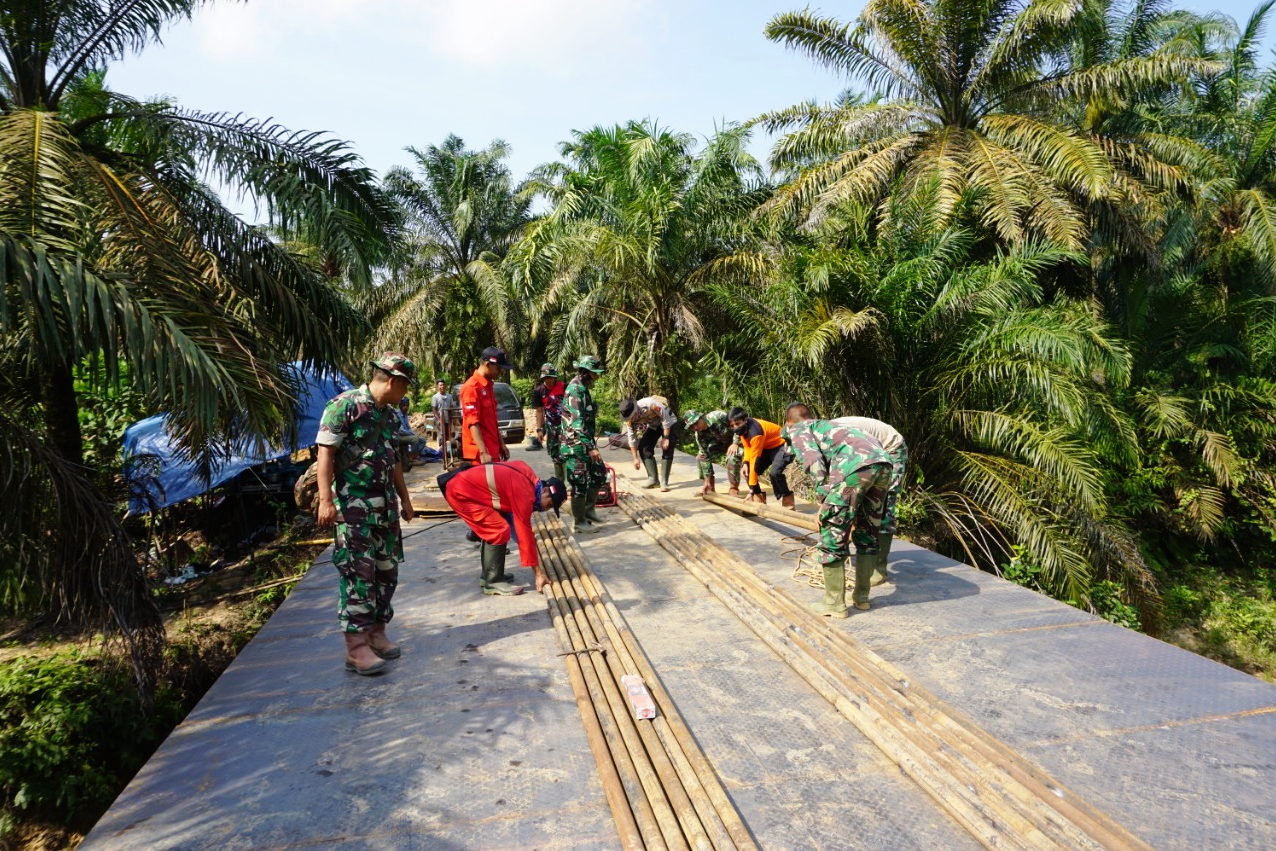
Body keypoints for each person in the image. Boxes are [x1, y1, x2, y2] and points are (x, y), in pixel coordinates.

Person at [316, 352, 417, 676]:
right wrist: (325, 501)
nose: (406, 392)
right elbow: (325, 454)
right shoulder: (345, 406)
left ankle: (376, 632)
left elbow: (394, 459)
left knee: (387, 571)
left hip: (385, 509)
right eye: (406, 385)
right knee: (358, 575)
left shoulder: (390, 416)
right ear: (393, 381)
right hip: (353, 510)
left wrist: (405, 498)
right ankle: (356, 647)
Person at [785, 403, 893, 617]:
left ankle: (834, 604)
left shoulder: (798, 429)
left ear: (789, 423)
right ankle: (862, 598)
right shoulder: (833, 427)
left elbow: (814, 463)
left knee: (832, 534)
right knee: (868, 532)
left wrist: (824, 502)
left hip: (854, 469)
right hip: (884, 466)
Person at [440, 460, 567, 595]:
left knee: (499, 523)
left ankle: (489, 575)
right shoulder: (524, 494)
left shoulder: (527, 474)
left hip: (464, 487)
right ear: (545, 490)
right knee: (498, 530)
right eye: (550, 504)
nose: (546, 509)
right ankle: (493, 582)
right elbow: (524, 534)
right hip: (461, 494)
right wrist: (538, 573)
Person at [829, 415, 908, 586]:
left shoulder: (834, 435)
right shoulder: (823, 438)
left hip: (891, 449)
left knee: (883, 506)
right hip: (868, 456)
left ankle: (879, 569)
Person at [560, 355, 608, 534]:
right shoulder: (575, 390)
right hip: (576, 444)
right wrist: (591, 447)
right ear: (586, 372)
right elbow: (577, 422)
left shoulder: (582, 388)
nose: (597, 377)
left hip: (583, 442)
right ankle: (579, 522)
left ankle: (588, 510)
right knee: (579, 483)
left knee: (599, 473)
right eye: (594, 374)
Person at [727, 407, 793, 506]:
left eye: (737, 424)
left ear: (745, 420)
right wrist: (745, 463)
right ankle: (759, 500)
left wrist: (751, 490)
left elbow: (755, 460)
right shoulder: (742, 430)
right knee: (747, 471)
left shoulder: (755, 432)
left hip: (782, 445)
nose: (735, 427)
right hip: (766, 447)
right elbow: (747, 447)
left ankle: (788, 500)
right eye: (732, 426)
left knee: (775, 473)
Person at [460, 346, 512, 466]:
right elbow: (473, 422)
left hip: (492, 451)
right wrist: (483, 452)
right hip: (481, 456)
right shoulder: (472, 387)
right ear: (488, 364)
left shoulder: (488, 386)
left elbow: (492, 421)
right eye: (498, 368)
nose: (500, 372)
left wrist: (501, 444)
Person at [619, 396, 678, 492]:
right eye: (629, 418)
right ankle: (653, 479)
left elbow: (665, 418)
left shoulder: (650, 404)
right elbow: (632, 438)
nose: (631, 419)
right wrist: (635, 458)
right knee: (644, 446)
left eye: (632, 416)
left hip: (669, 421)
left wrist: (666, 438)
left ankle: (664, 482)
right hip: (654, 425)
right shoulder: (629, 421)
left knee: (667, 447)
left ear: (635, 410)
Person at [685, 409, 743, 496]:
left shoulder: (718, 416)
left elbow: (738, 426)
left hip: (737, 442)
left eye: (696, 423)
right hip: (720, 445)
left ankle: (734, 488)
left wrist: (735, 443)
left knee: (732, 457)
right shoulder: (699, 435)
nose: (695, 427)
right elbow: (705, 455)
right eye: (692, 427)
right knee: (701, 457)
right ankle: (709, 487)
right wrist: (707, 481)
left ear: (701, 417)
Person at [530, 363, 567, 482]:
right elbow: (540, 411)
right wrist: (539, 430)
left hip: (565, 426)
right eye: (546, 378)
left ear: (555, 377)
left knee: (566, 452)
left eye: (551, 377)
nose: (549, 380)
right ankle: (560, 481)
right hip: (551, 427)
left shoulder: (564, 387)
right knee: (555, 454)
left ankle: (568, 482)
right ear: (543, 378)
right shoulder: (539, 391)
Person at [430, 379, 453, 448]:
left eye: (443, 385)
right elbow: (434, 409)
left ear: (445, 386)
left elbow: (451, 407)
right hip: (439, 419)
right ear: (437, 387)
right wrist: (438, 419)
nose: (442, 386)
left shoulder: (449, 396)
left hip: (448, 419)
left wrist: (453, 419)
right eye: (440, 385)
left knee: (448, 435)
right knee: (441, 435)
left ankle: (447, 450)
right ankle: (440, 449)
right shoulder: (435, 397)